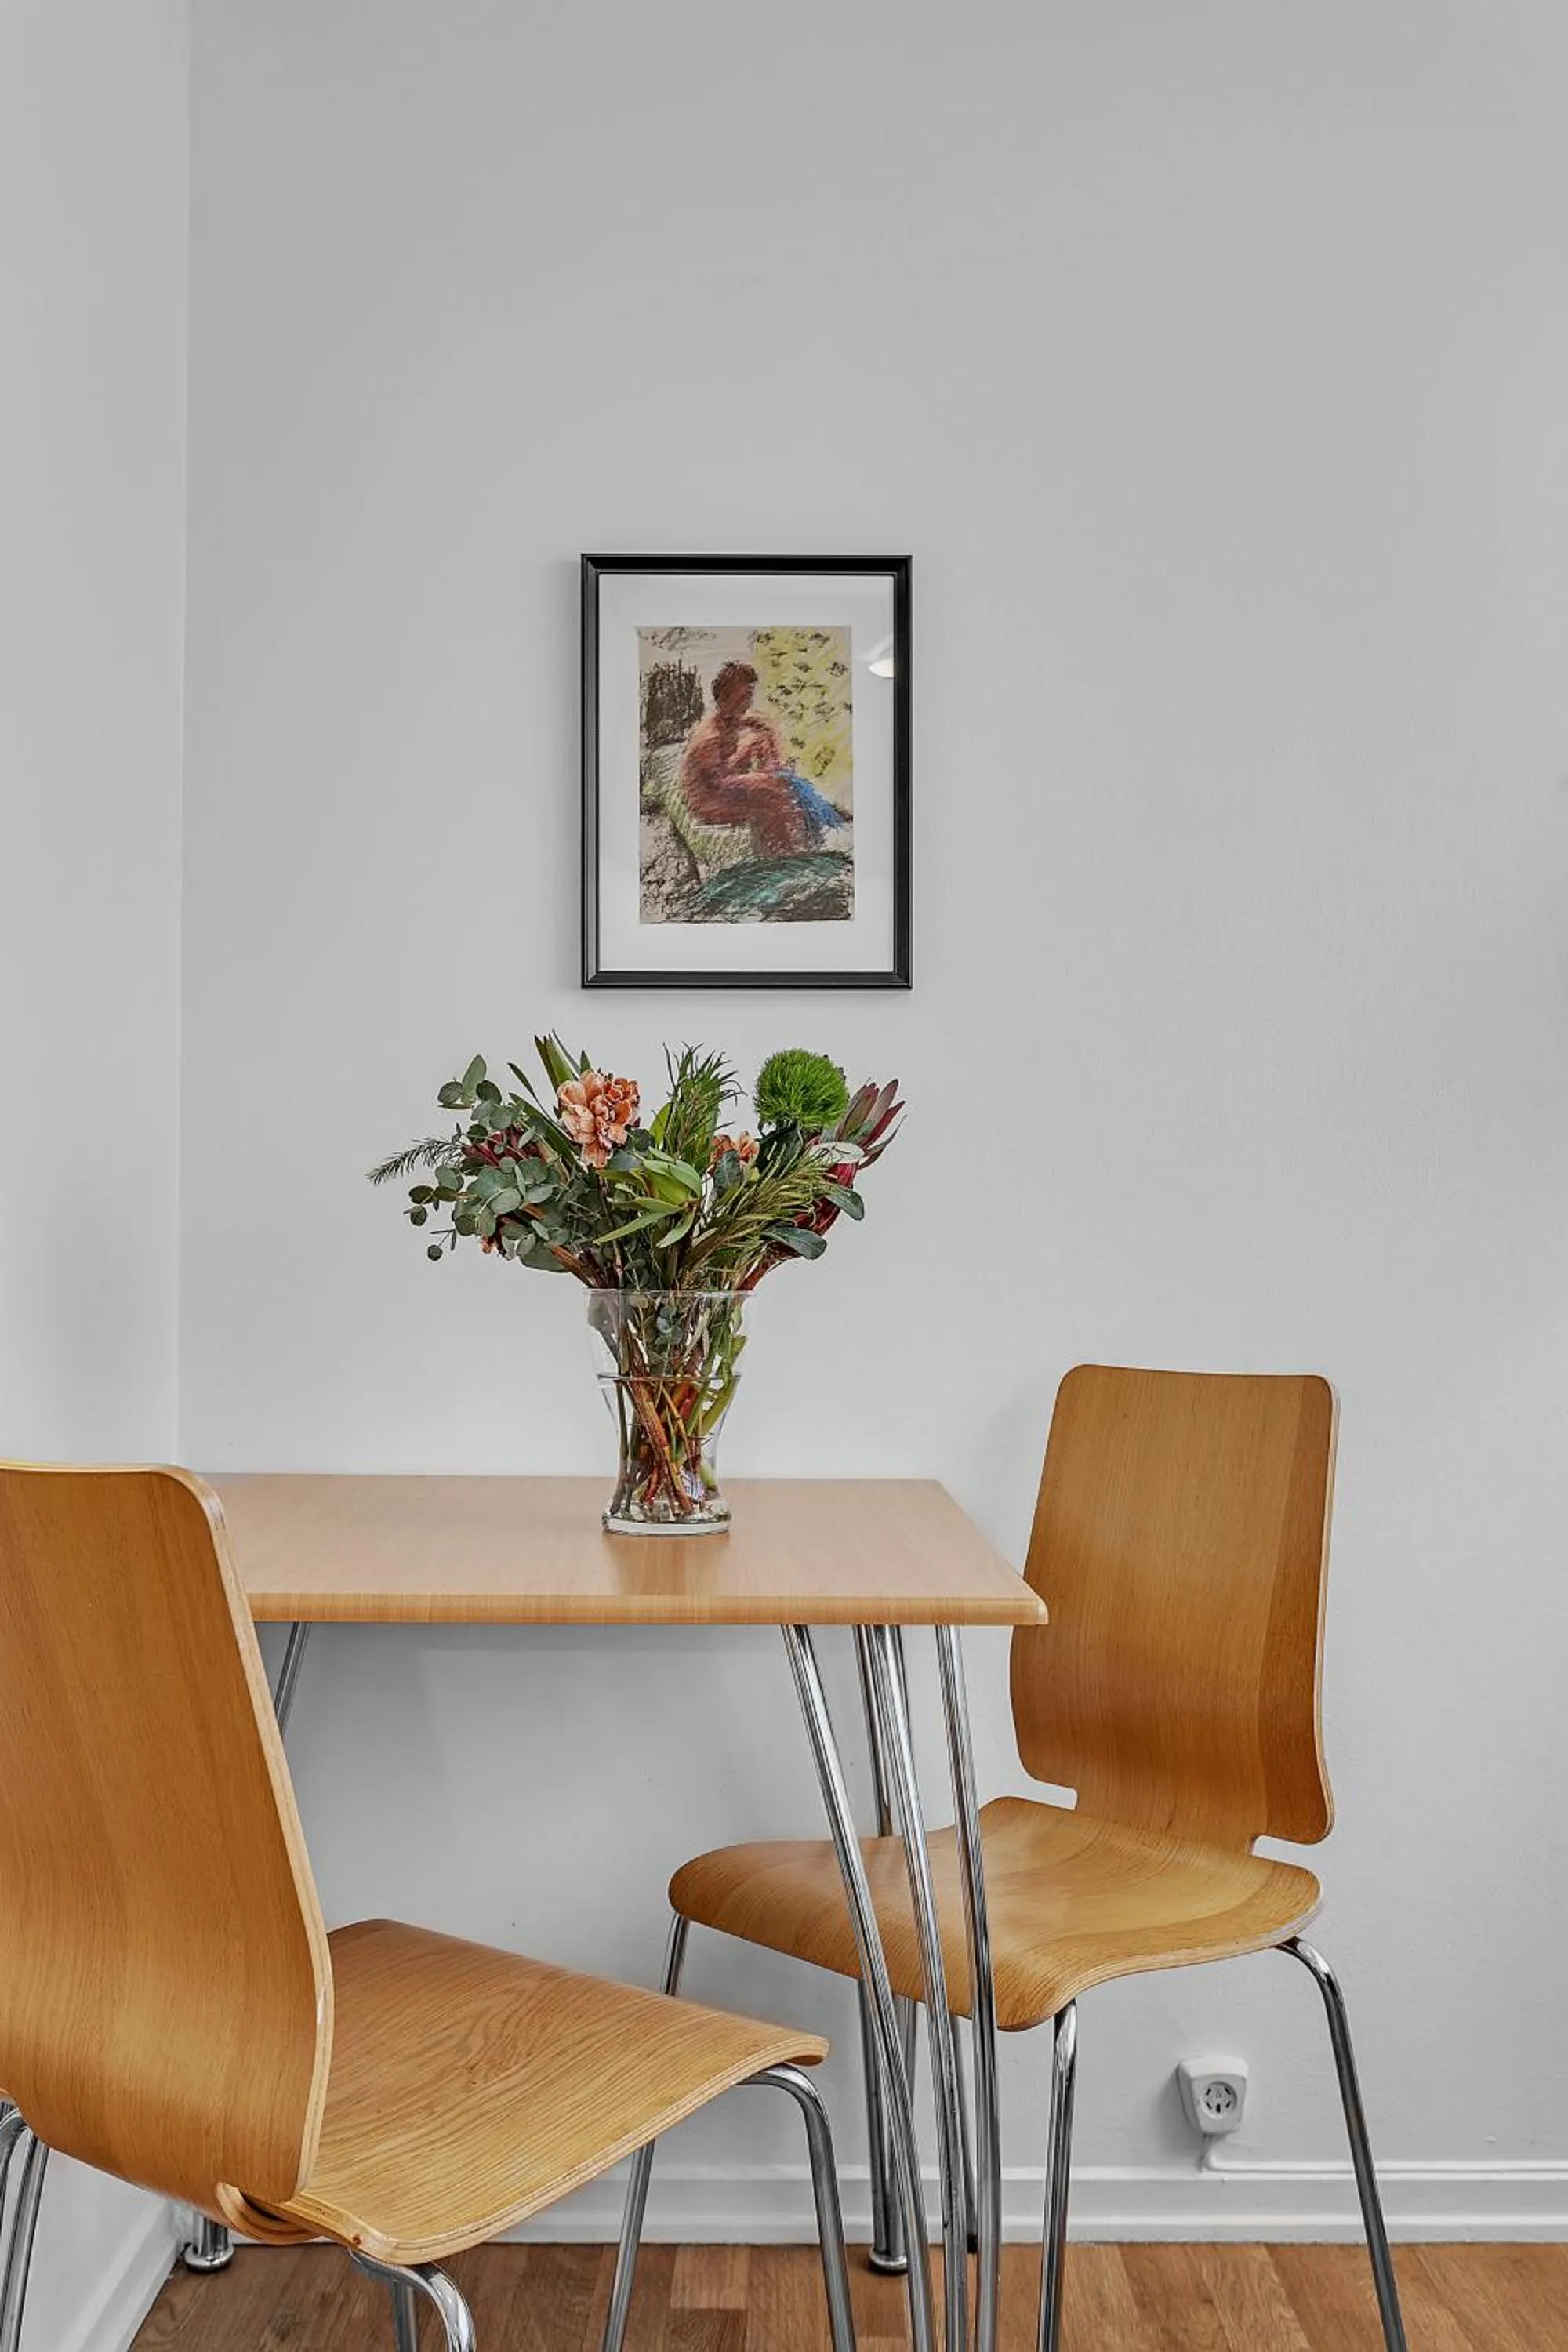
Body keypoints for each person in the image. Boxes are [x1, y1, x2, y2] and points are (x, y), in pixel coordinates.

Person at [680, 662, 846, 857]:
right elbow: (717, 784)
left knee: (761, 740)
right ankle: (786, 856)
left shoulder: (739, 720)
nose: (747, 702)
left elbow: (764, 730)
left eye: (749, 696)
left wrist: (773, 758)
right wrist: (761, 780)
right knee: (772, 803)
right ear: (724, 697)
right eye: (741, 697)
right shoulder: (709, 736)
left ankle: (807, 835)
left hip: (731, 788)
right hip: (708, 801)